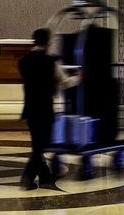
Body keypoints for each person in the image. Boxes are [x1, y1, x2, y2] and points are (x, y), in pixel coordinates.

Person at [18, 28, 80, 190]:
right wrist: (79, 78)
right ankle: (27, 178)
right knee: (39, 147)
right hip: (45, 109)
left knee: (37, 144)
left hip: (30, 109)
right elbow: (64, 83)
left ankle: (45, 176)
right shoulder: (51, 62)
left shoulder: (23, 62)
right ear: (48, 42)